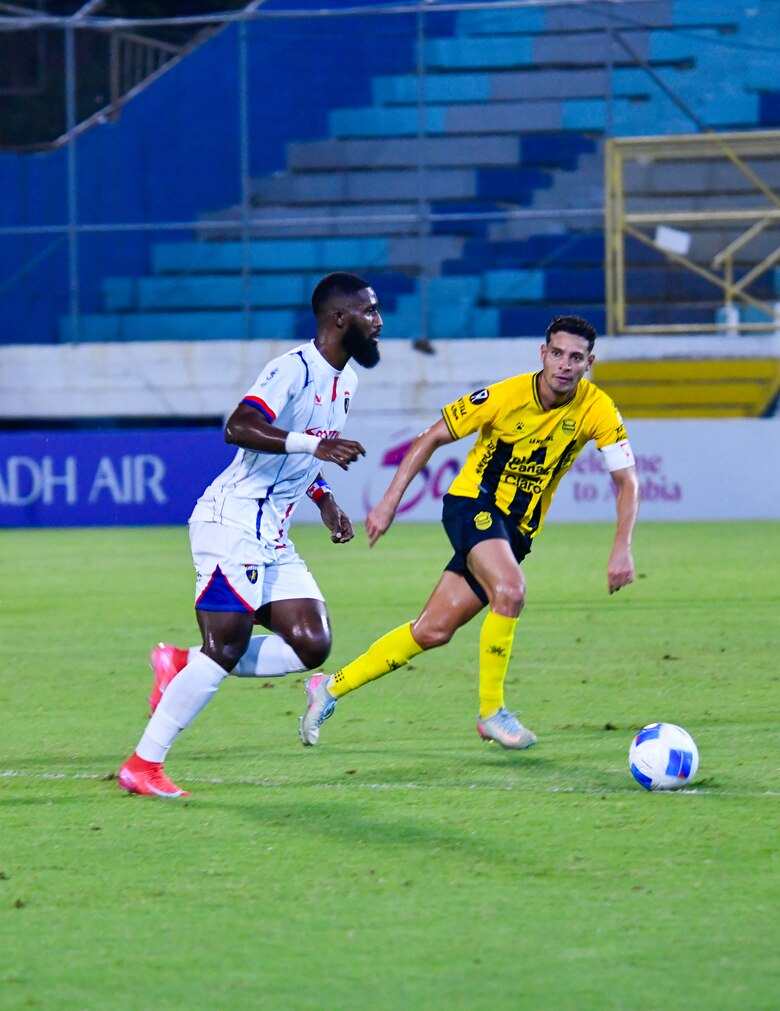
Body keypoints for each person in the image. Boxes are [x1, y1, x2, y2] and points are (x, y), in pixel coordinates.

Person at [299, 314, 639, 749]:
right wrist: (388, 502)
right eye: (557, 353)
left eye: (576, 357)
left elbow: (627, 481)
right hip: (472, 505)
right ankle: (492, 712)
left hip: (514, 532)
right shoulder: (505, 396)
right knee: (511, 590)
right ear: (543, 353)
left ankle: (329, 687)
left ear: (588, 362)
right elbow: (429, 437)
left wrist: (621, 548)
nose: (564, 365)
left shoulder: (598, 408)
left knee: (431, 631)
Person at [118, 272, 383, 797]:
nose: (379, 322)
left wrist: (324, 499)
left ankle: (178, 663)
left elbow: (298, 456)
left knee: (312, 644)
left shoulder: (347, 380)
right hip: (232, 521)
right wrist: (314, 448)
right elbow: (238, 427)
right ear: (338, 319)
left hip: (274, 534)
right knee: (224, 648)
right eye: (369, 312)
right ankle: (143, 765)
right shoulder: (292, 369)